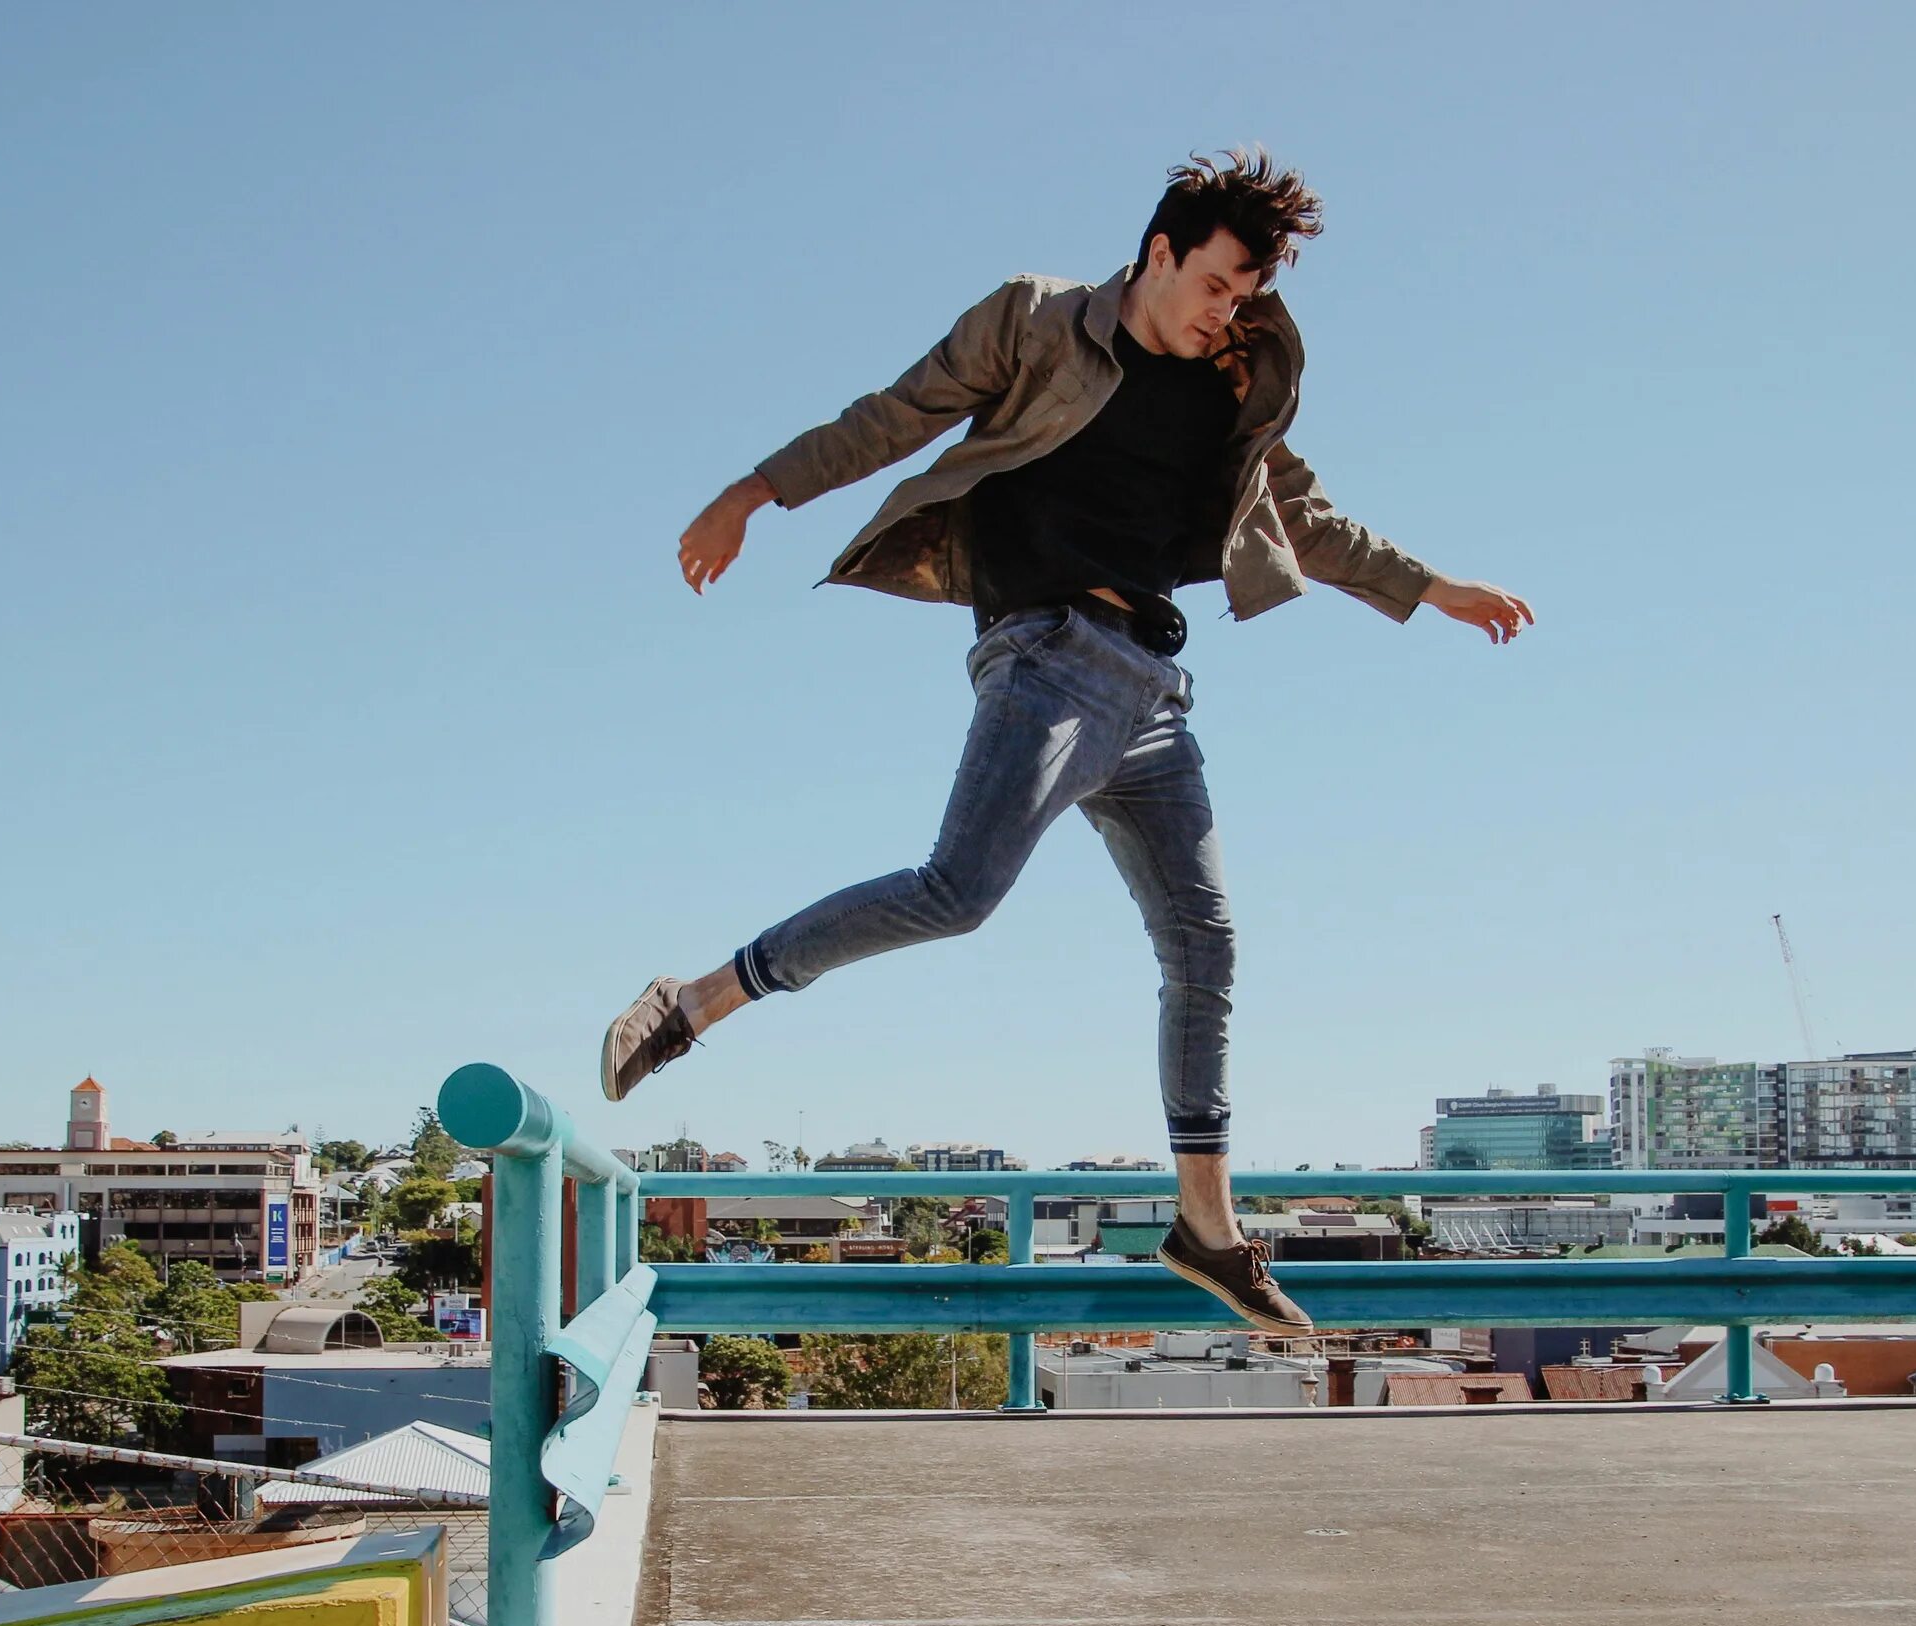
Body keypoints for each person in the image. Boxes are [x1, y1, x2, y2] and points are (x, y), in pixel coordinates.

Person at [602, 149, 1533, 1334]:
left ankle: (1208, 1230)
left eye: (1246, 297)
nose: (1225, 314)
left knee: (1206, 947)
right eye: (1215, 285)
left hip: (1153, 688)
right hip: (1046, 655)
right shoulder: (1036, 320)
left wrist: (1434, 586)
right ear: (1160, 253)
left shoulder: (1235, 382)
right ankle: (692, 998)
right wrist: (753, 490)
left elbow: (1304, 515)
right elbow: (895, 415)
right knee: (956, 891)